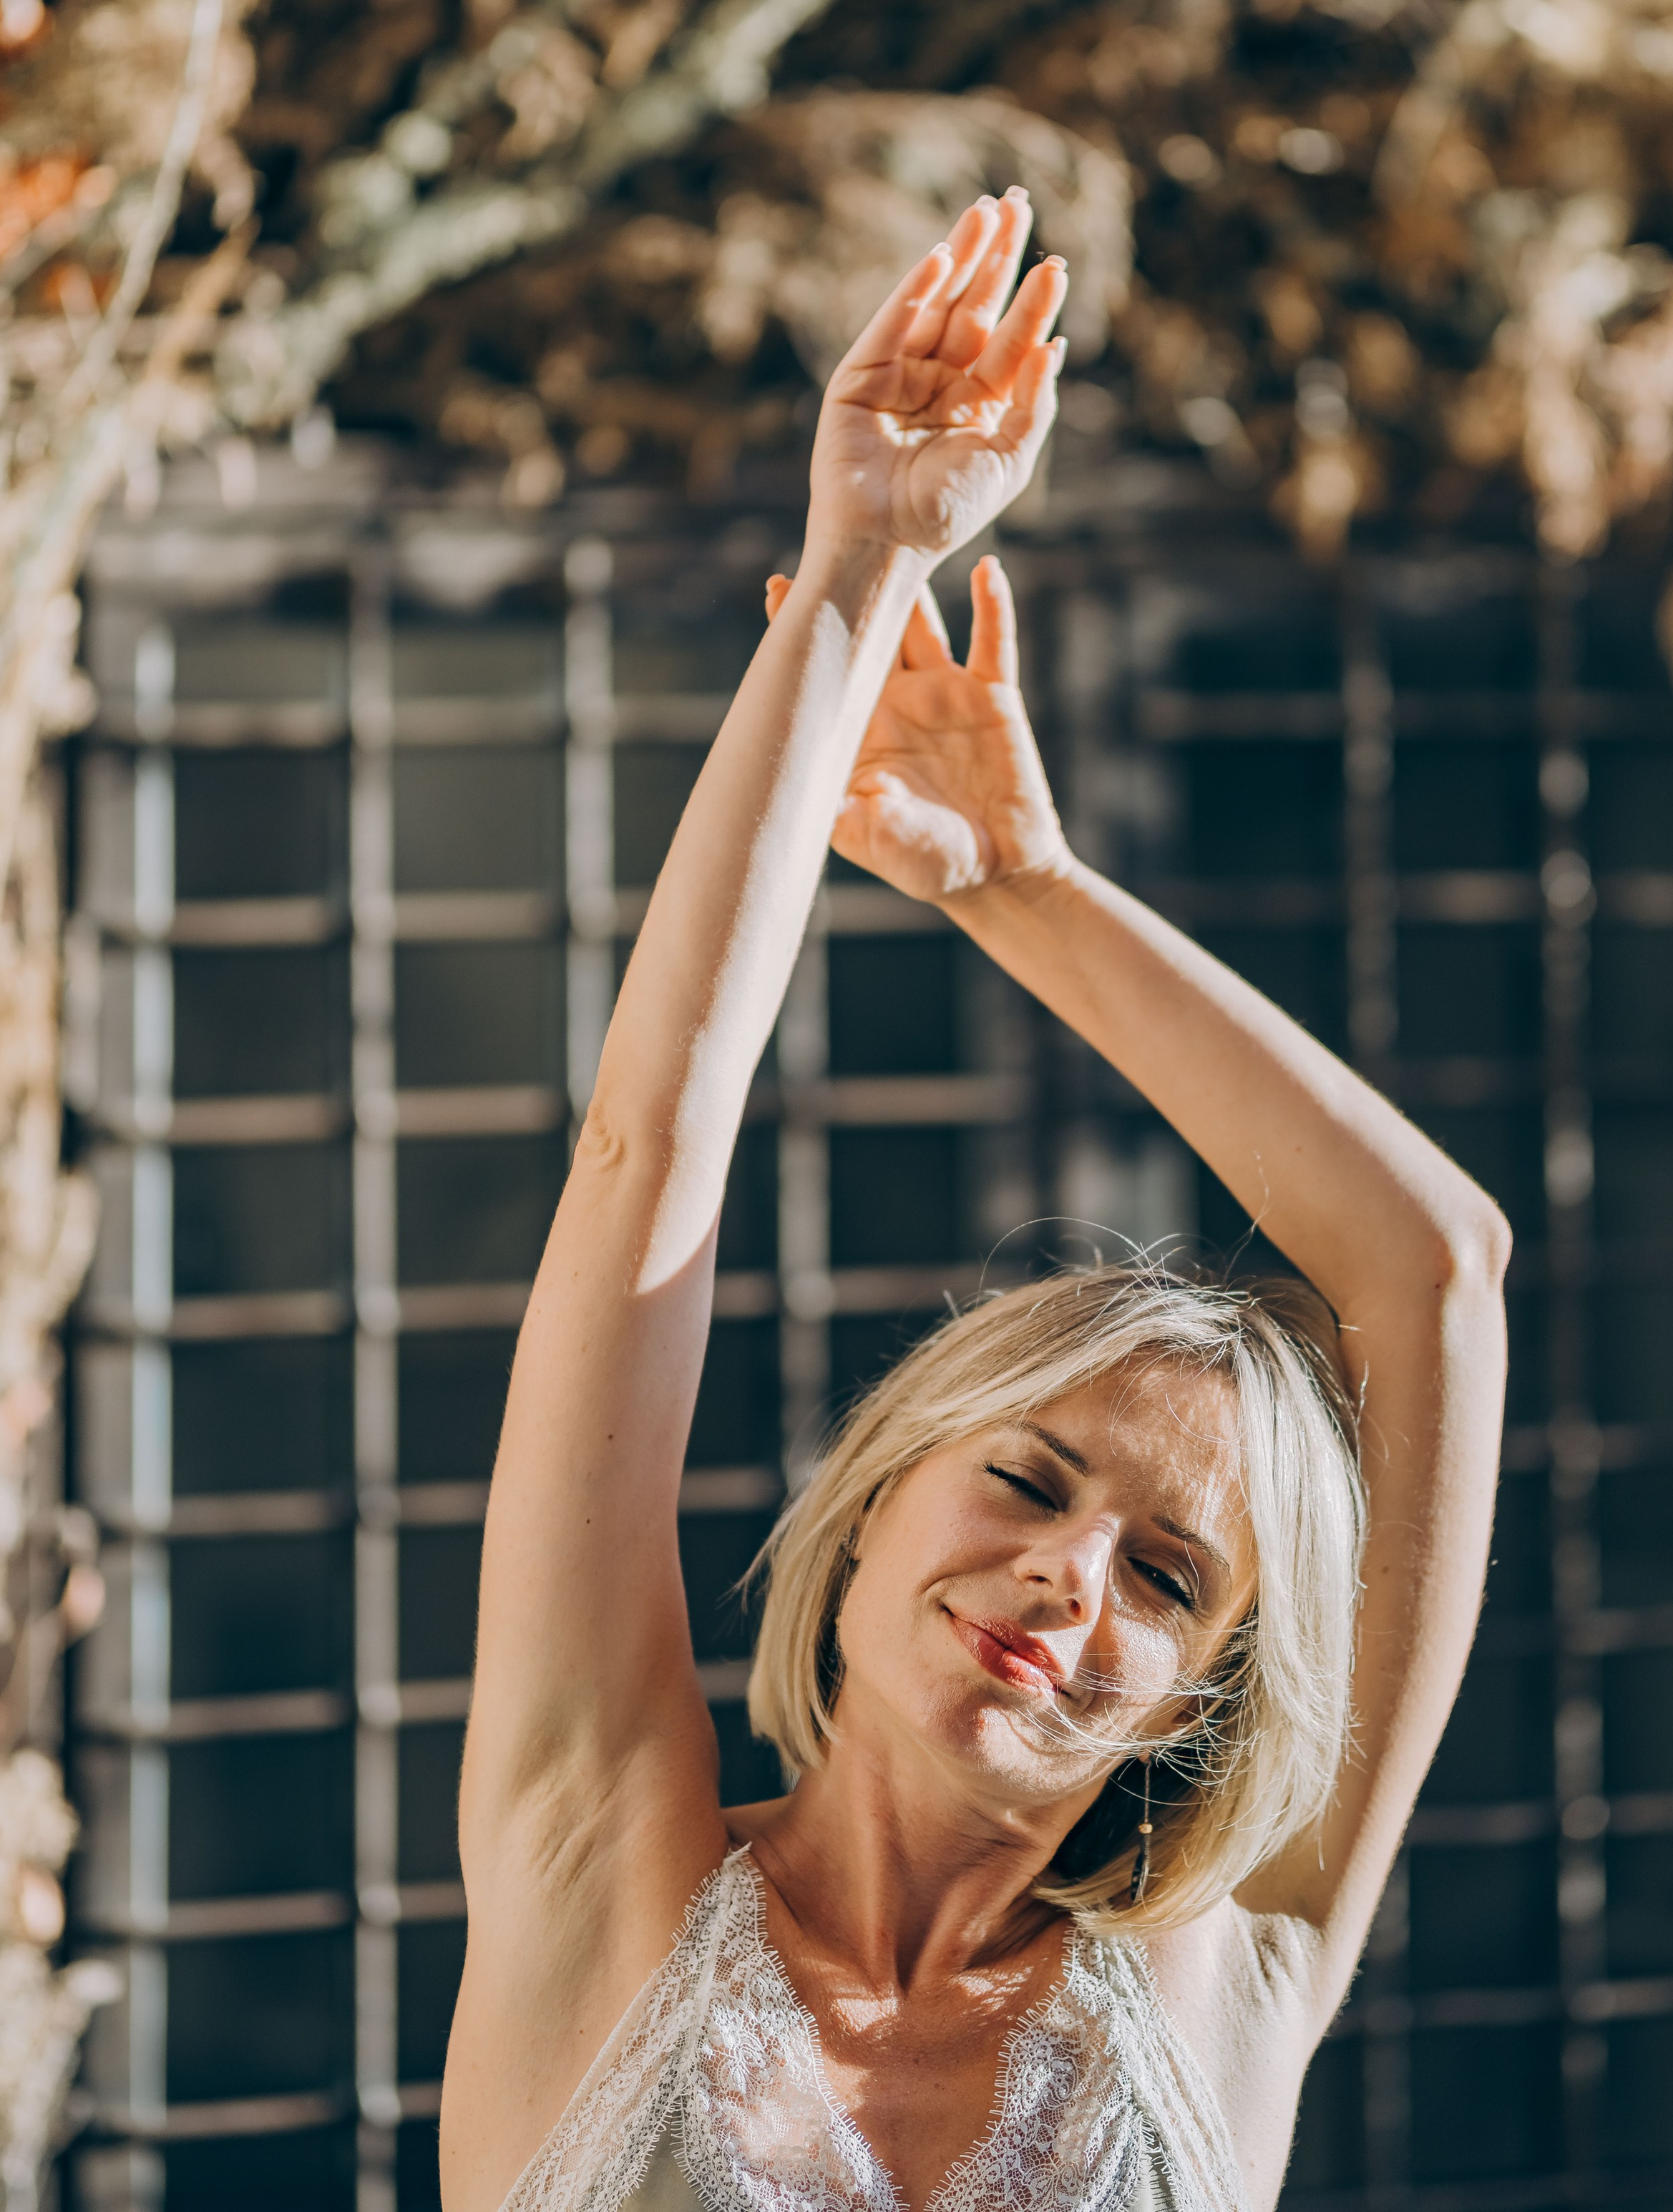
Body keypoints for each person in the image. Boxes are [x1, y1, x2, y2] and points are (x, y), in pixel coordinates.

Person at [442, 190, 1511, 2212]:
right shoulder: (598, 1855)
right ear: (867, 1518)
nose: (1072, 1584)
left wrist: (1032, 883)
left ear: (1201, 1699)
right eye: (1027, 1483)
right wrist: (859, 567)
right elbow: (644, 1156)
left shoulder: (1235, 1983)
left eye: (1174, 1580)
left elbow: (1433, 1271)